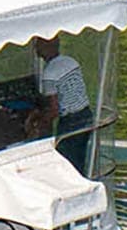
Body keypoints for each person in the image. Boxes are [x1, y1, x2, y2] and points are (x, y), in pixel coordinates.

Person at [35, 37, 93, 175]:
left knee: (67, 162)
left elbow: (54, 109)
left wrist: (38, 125)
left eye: (37, 45)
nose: (35, 48)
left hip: (70, 122)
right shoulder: (71, 61)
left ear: (45, 48)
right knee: (79, 159)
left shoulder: (50, 73)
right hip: (85, 114)